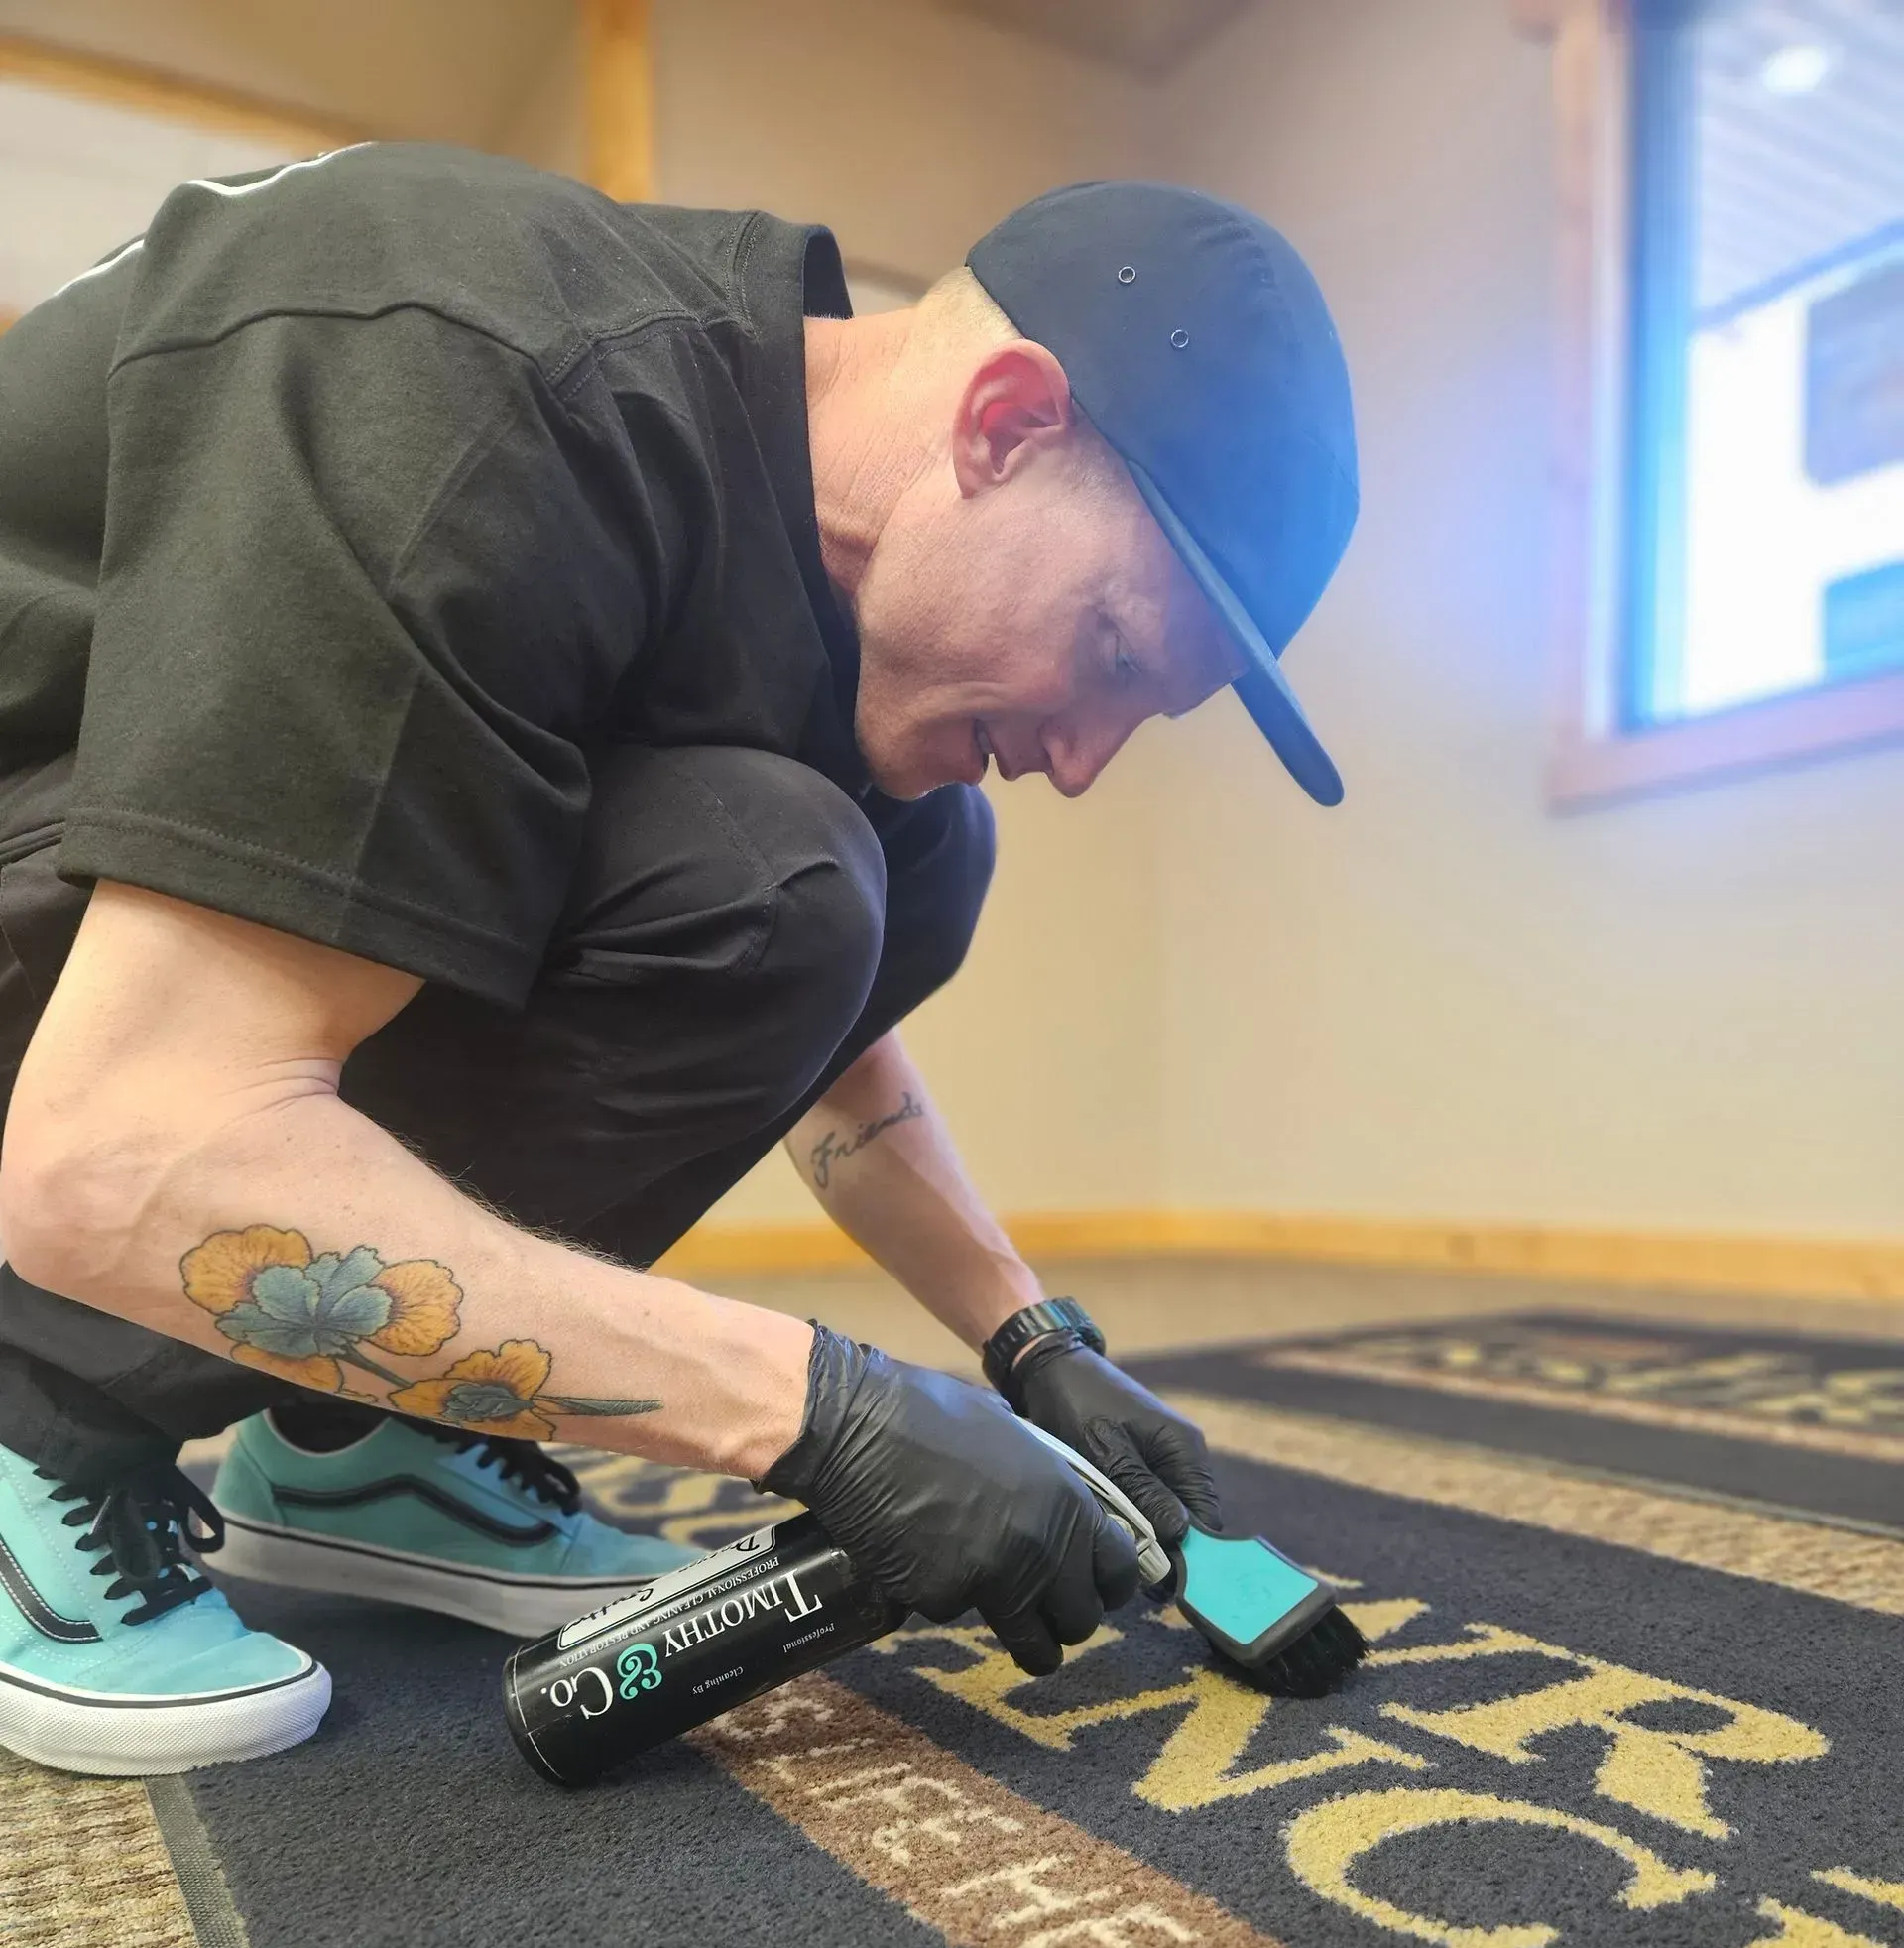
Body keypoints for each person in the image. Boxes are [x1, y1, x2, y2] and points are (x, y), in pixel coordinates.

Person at [0, 151, 1358, 1775]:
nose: (1084, 758)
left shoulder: (807, 579)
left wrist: (1026, 1343)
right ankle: (35, 1405)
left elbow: (820, 1052)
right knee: (801, 868)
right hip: (66, 993)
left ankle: (362, 1435)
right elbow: (115, 1151)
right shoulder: (475, 380)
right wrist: (812, 1407)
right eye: (1115, 658)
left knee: (870, 863)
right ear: (1004, 423)